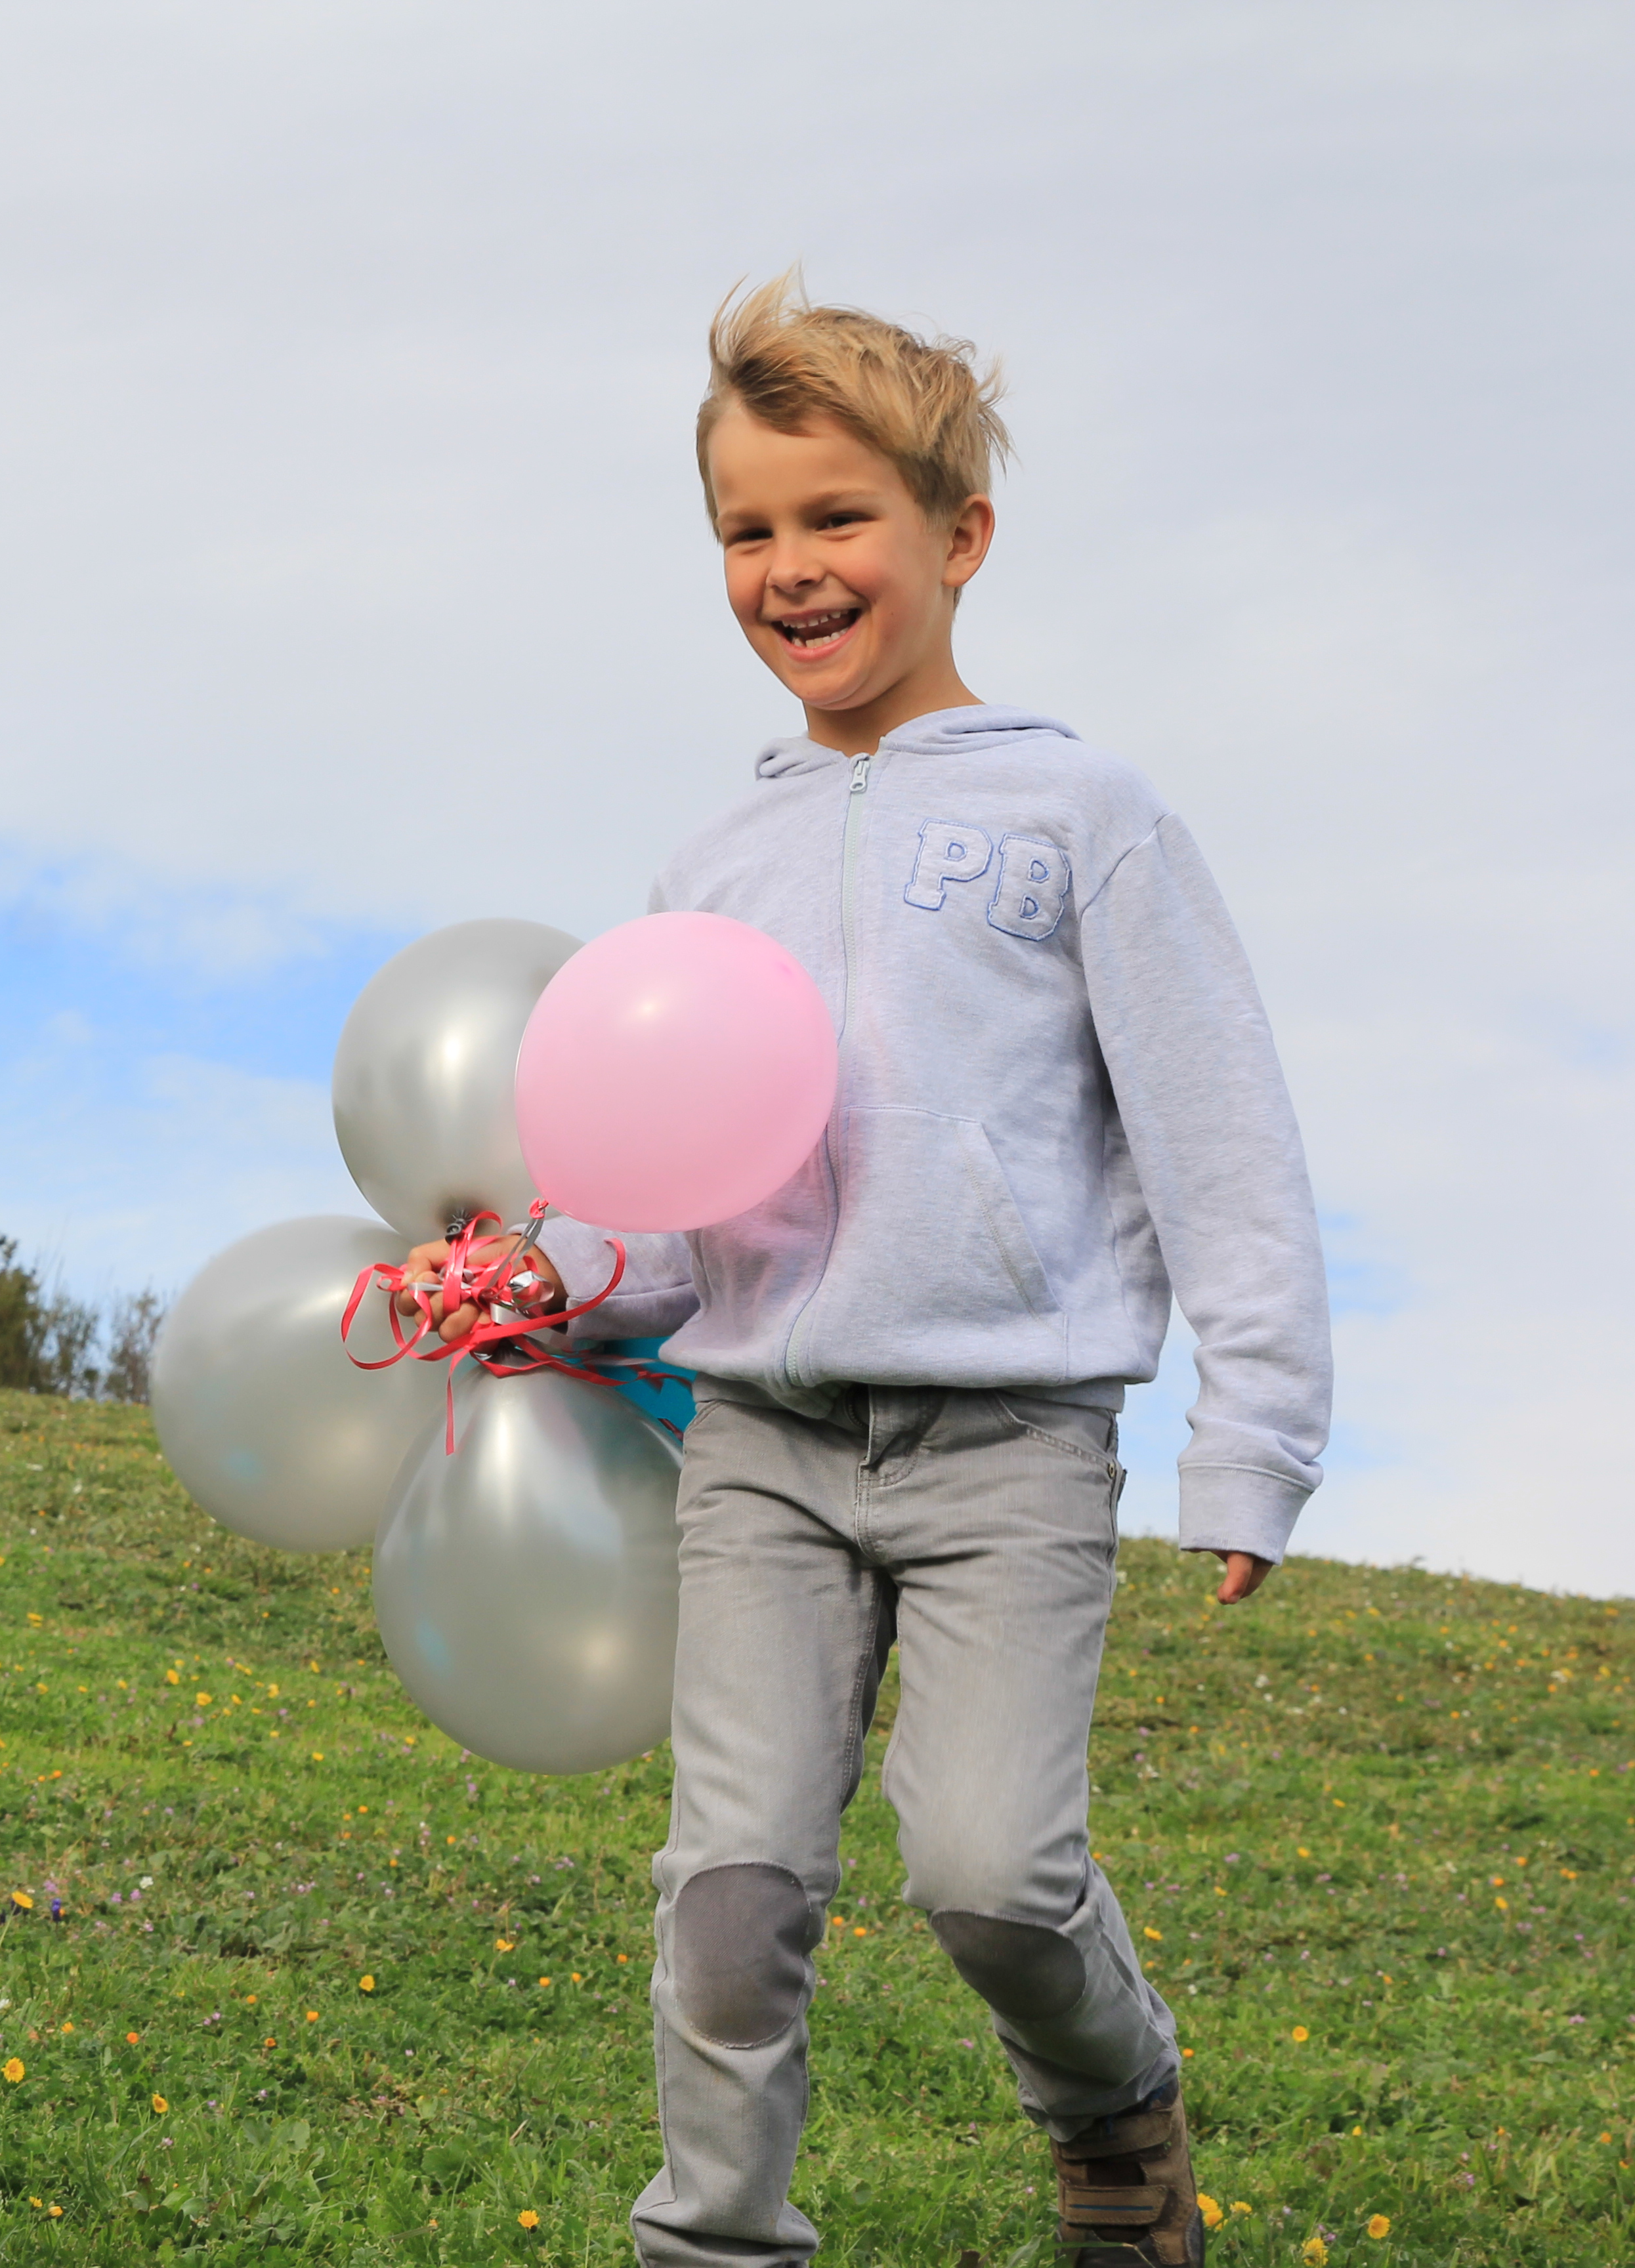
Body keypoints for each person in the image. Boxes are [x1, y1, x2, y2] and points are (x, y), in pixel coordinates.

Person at [417, 278, 1328, 2267]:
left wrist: (1253, 1434)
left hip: (1011, 1445)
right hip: (763, 1443)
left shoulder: (1080, 816)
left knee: (995, 1873)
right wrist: (543, 1282)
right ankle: (714, 2245)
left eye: (836, 519)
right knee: (731, 1888)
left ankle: (1118, 2112)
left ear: (959, 537)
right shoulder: (706, 866)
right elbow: (664, 1194)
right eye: (748, 531)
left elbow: (1221, 1138)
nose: (790, 568)